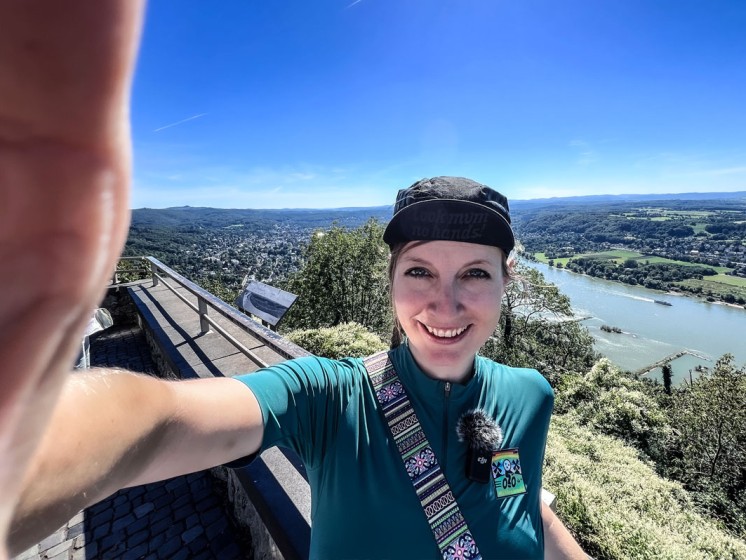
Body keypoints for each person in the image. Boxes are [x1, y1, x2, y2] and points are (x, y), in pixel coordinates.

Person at [1, 3, 585, 559]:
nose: (446, 301)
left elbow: (522, 504)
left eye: (476, 273)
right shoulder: (330, 398)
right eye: (420, 270)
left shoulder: (529, 395)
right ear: (391, 280)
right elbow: (155, 425)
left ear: (507, 281)